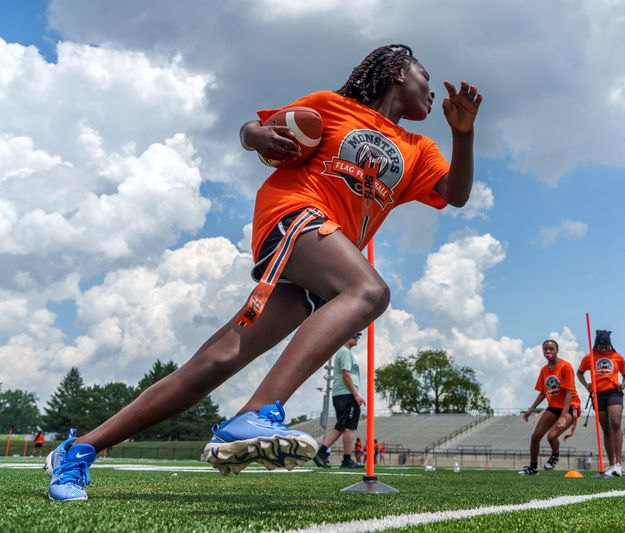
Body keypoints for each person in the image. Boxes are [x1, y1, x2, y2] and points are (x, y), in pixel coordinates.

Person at [46, 44, 482, 501]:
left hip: (320, 260)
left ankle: (78, 450)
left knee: (213, 363)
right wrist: (257, 138)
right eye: (424, 74)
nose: (432, 90)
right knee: (369, 290)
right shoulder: (329, 106)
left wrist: (464, 135)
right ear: (396, 72)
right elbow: (253, 128)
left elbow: (455, 194)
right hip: (295, 216)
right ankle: (259, 412)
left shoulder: (419, 148)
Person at [519, 339, 580, 475]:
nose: (548, 351)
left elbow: (569, 393)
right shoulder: (544, 370)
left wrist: (563, 416)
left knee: (552, 436)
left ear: (557, 350)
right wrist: (531, 409)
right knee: (535, 436)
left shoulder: (565, 366)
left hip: (569, 406)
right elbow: (543, 392)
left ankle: (555, 456)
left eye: (551, 349)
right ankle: (533, 468)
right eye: (545, 349)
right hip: (553, 406)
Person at [577, 330, 625, 477]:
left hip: (614, 392)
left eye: (606, 346)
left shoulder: (617, 357)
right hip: (598, 394)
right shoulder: (590, 357)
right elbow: (579, 372)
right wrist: (587, 384)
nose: (603, 349)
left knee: (615, 423)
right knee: (606, 429)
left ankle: (618, 464)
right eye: (601, 346)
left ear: (610, 344)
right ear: (596, 344)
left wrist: (622, 385)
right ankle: (611, 464)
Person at [314, 334, 365, 468]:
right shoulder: (345, 352)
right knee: (349, 427)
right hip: (347, 394)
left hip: (341, 394)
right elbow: (346, 375)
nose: (357, 338)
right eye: (354, 335)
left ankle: (321, 453)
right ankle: (346, 460)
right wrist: (356, 395)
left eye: (358, 336)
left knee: (341, 426)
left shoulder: (343, 352)